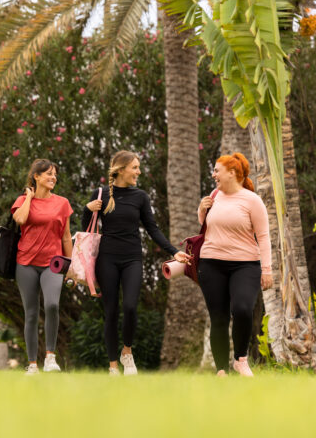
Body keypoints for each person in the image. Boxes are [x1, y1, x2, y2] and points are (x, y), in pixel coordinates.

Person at [83, 151, 190, 375]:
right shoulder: (100, 193)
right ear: (120, 169)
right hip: (107, 259)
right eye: (134, 167)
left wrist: (174, 251)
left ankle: (127, 352)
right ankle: (113, 366)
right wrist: (87, 210)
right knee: (111, 312)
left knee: (130, 307)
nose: (138, 172)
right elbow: (87, 230)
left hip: (132, 258)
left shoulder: (140, 196)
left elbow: (152, 228)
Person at [197, 152, 273, 377]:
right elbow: (207, 227)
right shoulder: (214, 195)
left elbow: (264, 236)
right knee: (218, 317)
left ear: (232, 173)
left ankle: (240, 359)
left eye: (217, 170)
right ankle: (221, 371)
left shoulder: (252, 200)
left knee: (242, 309)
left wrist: (266, 270)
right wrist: (202, 210)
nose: (214, 175)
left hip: (245, 265)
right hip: (211, 264)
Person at [11, 159, 73, 375]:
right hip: (26, 263)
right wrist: (29, 196)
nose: (53, 177)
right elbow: (20, 218)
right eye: (48, 174)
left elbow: (66, 237)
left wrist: (70, 265)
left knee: (53, 305)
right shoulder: (22, 200)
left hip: (53, 263)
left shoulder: (62, 203)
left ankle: (50, 357)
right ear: (36, 176)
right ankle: (32, 365)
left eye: (54, 174)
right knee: (30, 313)